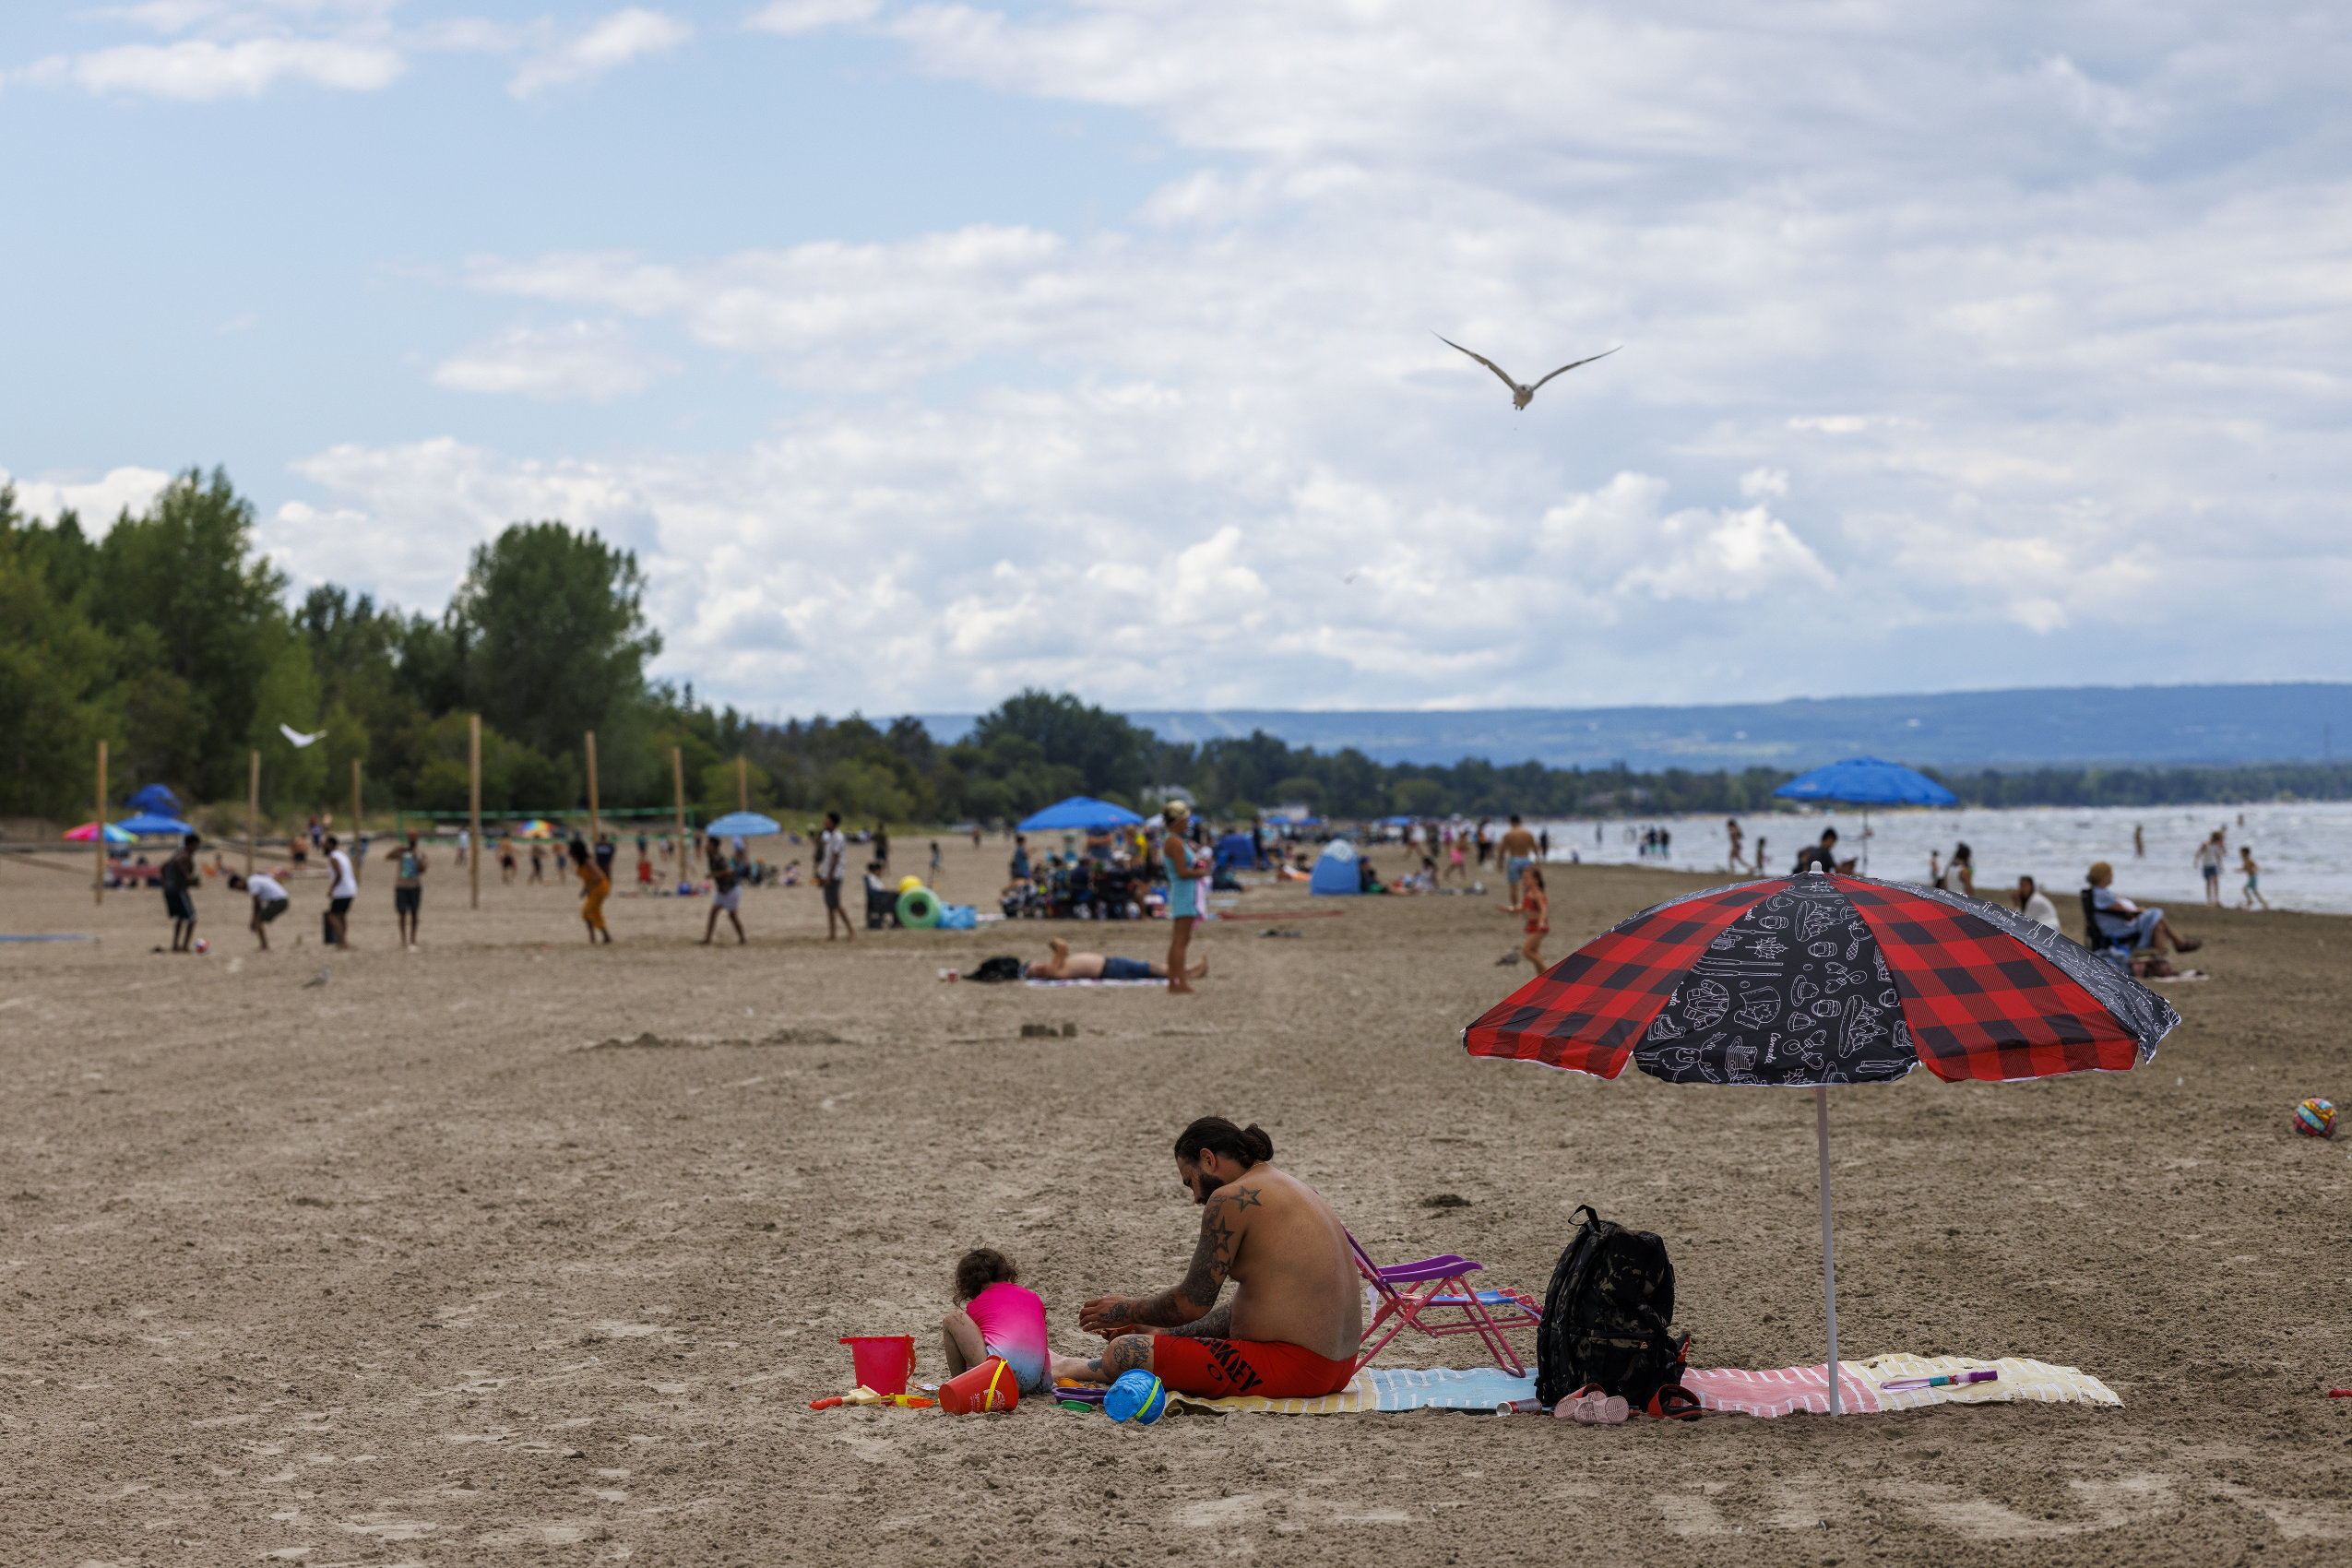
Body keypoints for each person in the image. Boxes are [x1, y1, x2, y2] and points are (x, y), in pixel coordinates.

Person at [1050, 1118, 1362, 1402]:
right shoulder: (1288, 1186)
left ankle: (1072, 1367)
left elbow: (1192, 1302)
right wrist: (1161, 1331)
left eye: (1191, 1182)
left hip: (1297, 1369)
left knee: (1125, 1352)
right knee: (1159, 1339)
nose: (1197, 1198)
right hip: (1339, 1366)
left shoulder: (1230, 1199)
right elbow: (1249, 1309)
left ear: (1208, 1159)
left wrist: (1125, 1309)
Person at [942, 1249, 1051, 1396]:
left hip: (995, 1381)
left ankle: (960, 1386)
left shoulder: (977, 1305)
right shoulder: (1034, 1298)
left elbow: (971, 1347)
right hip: (1031, 1383)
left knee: (954, 1319)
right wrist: (1045, 1385)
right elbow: (1044, 1346)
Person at [2087, 861, 2198, 954]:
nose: (2112, 876)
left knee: (2158, 926)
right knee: (2155, 913)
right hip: (2117, 930)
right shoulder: (2102, 895)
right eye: (2110, 873)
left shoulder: (2096, 893)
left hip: (2113, 927)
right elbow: (2124, 913)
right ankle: (2178, 943)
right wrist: (2138, 911)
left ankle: (2164, 956)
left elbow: (2116, 911)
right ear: (2103, 876)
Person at [1159, 802, 1207, 996]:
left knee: (1179, 940)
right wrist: (1201, 873)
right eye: (1185, 819)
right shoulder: (1174, 842)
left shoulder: (1173, 840)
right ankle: (1179, 982)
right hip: (1183, 893)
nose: (1188, 823)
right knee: (1180, 940)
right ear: (1178, 821)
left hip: (1183, 892)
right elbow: (1181, 872)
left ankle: (1175, 982)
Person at [229, 870, 289, 949]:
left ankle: (264, 946)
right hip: (281, 899)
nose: (239, 890)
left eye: (237, 887)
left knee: (258, 920)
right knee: (259, 918)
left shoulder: (252, 883)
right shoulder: (253, 879)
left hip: (280, 901)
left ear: (240, 881)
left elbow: (257, 904)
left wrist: (253, 920)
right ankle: (264, 945)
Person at [701, 838, 745, 945]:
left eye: (709, 844)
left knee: (732, 916)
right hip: (722, 890)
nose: (706, 846)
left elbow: (727, 870)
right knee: (713, 912)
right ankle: (708, 939)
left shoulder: (719, 857)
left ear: (714, 847)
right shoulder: (711, 857)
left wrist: (713, 875)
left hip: (731, 889)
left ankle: (743, 939)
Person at [160, 833, 201, 952]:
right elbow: (178, 862)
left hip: (169, 888)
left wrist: (166, 879)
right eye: (197, 845)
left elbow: (163, 866)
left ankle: (175, 945)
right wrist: (187, 876)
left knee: (180, 917)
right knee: (192, 918)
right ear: (192, 844)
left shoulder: (178, 853)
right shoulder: (184, 855)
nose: (197, 848)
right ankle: (184, 947)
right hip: (178, 889)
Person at [388, 831, 426, 949]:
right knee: (402, 913)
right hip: (401, 885)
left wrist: (418, 858)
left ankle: (413, 938)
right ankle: (403, 939)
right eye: (410, 836)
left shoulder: (420, 852)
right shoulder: (402, 851)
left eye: (414, 836)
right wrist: (399, 849)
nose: (412, 838)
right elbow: (388, 857)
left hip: (414, 885)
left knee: (414, 913)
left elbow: (422, 870)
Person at [571, 837, 612, 944]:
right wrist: (585, 889)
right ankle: (599, 937)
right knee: (591, 912)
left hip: (601, 888)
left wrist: (588, 887)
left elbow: (599, 876)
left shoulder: (588, 860)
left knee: (588, 911)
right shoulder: (581, 862)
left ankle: (598, 937)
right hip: (594, 889)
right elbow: (588, 878)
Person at [819, 811, 853, 941]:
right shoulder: (830, 837)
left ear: (832, 822)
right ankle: (832, 933)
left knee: (837, 904)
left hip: (835, 875)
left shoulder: (838, 837)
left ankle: (850, 930)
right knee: (830, 905)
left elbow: (835, 858)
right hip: (828, 874)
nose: (825, 823)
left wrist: (829, 877)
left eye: (827, 821)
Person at [324, 835, 357, 951]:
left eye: (325, 843)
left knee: (332, 916)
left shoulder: (333, 857)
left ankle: (343, 940)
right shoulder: (342, 855)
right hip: (351, 889)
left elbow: (338, 874)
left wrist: (331, 888)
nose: (323, 845)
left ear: (330, 845)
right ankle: (342, 940)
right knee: (341, 915)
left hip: (342, 891)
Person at [1497, 814, 1538, 909]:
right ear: (1520, 822)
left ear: (1511, 822)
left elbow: (1502, 851)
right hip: (1526, 860)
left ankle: (1515, 909)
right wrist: (1538, 861)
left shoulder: (1508, 835)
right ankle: (1527, 907)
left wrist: (1500, 864)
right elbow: (1535, 848)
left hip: (1514, 859)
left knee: (1513, 887)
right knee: (1528, 886)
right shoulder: (1528, 834)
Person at [1518, 864, 1550, 968]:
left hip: (1539, 927)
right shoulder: (1528, 893)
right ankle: (1541, 980)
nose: (1524, 881)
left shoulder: (1537, 894)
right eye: (1523, 878)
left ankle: (1549, 973)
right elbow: (1523, 907)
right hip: (1531, 925)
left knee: (1526, 950)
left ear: (1536, 881)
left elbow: (1543, 908)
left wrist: (1541, 922)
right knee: (1534, 952)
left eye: (1527, 878)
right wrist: (1509, 909)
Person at [2193, 830, 2226, 908]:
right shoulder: (2205, 844)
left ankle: (2217, 899)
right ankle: (2209, 900)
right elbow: (2199, 853)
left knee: (2216, 882)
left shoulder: (2217, 845)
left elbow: (2219, 856)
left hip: (2214, 865)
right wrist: (2196, 861)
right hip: (2206, 865)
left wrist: (2220, 866)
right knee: (2208, 882)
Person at [2239, 846, 2270, 910]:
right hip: (2251, 877)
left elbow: (2256, 866)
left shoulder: (2249, 860)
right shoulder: (2245, 861)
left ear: (2245, 853)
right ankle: (2264, 904)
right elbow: (2244, 869)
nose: (2240, 854)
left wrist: (2256, 870)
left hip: (2253, 877)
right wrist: (2237, 870)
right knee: (2255, 892)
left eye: (2241, 853)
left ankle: (2250, 901)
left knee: (2245, 889)